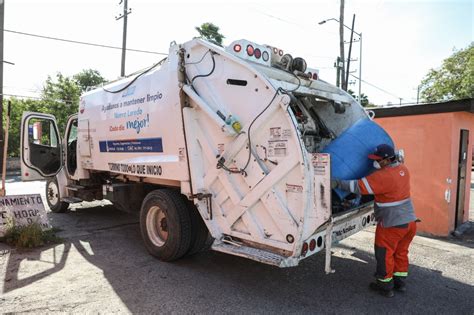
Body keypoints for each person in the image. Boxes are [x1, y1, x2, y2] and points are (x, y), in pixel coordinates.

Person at [332, 144, 417, 298]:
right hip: (410, 221)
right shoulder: (403, 169)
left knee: (384, 254)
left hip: (392, 223)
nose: (375, 163)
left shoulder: (383, 176)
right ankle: (400, 282)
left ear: (386, 160)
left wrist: (338, 183)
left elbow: (358, 186)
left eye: (378, 160)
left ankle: (385, 286)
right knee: (401, 252)